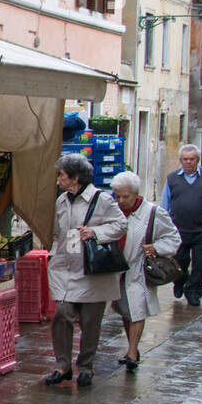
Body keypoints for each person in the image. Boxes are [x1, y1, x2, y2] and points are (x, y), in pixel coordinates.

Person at [46, 153, 126, 388]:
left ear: (75, 178)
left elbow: (121, 225)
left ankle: (86, 367)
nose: (58, 179)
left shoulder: (101, 200)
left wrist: (95, 233)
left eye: (61, 174)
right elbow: (57, 232)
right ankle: (62, 365)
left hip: (92, 271)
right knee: (62, 314)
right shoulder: (61, 201)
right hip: (65, 267)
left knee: (91, 321)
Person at [109, 171, 180, 372]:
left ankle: (132, 352)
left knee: (137, 308)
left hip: (139, 268)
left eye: (125, 197)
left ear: (136, 194)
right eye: (118, 196)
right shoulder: (113, 211)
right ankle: (133, 348)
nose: (121, 201)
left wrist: (156, 247)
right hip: (117, 269)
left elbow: (173, 238)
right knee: (125, 309)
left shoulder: (153, 213)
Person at [159, 144, 202, 306]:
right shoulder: (172, 178)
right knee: (179, 260)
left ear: (198, 160)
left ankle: (194, 291)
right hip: (178, 228)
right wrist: (161, 224)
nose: (188, 162)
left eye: (192, 159)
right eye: (185, 159)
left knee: (200, 262)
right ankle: (180, 282)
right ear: (181, 160)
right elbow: (164, 204)